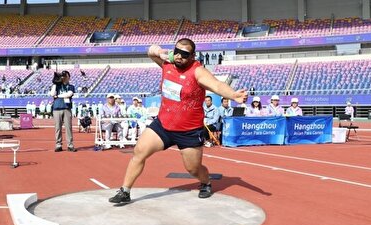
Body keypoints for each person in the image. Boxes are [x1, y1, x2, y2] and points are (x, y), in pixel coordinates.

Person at [108, 38, 247, 204]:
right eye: (177, 52)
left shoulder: (197, 71)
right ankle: (125, 191)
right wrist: (161, 52)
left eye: (185, 54)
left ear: (193, 56)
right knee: (139, 151)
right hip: (163, 125)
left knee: (193, 169)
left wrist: (233, 95)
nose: (180, 57)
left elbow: (217, 85)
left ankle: (206, 182)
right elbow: (150, 50)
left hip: (188, 131)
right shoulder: (167, 63)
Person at [50, 71, 76, 152]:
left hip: (66, 108)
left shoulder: (71, 86)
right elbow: (52, 94)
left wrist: (58, 96)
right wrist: (55, 83)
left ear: (69, 77)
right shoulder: (57, 86)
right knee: (58, 128)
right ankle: (58, 144)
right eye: (62, 76)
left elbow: (69, 94)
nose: (64, 77)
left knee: (68, 127)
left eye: (65, 76)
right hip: (57, 108)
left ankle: (70, 145)